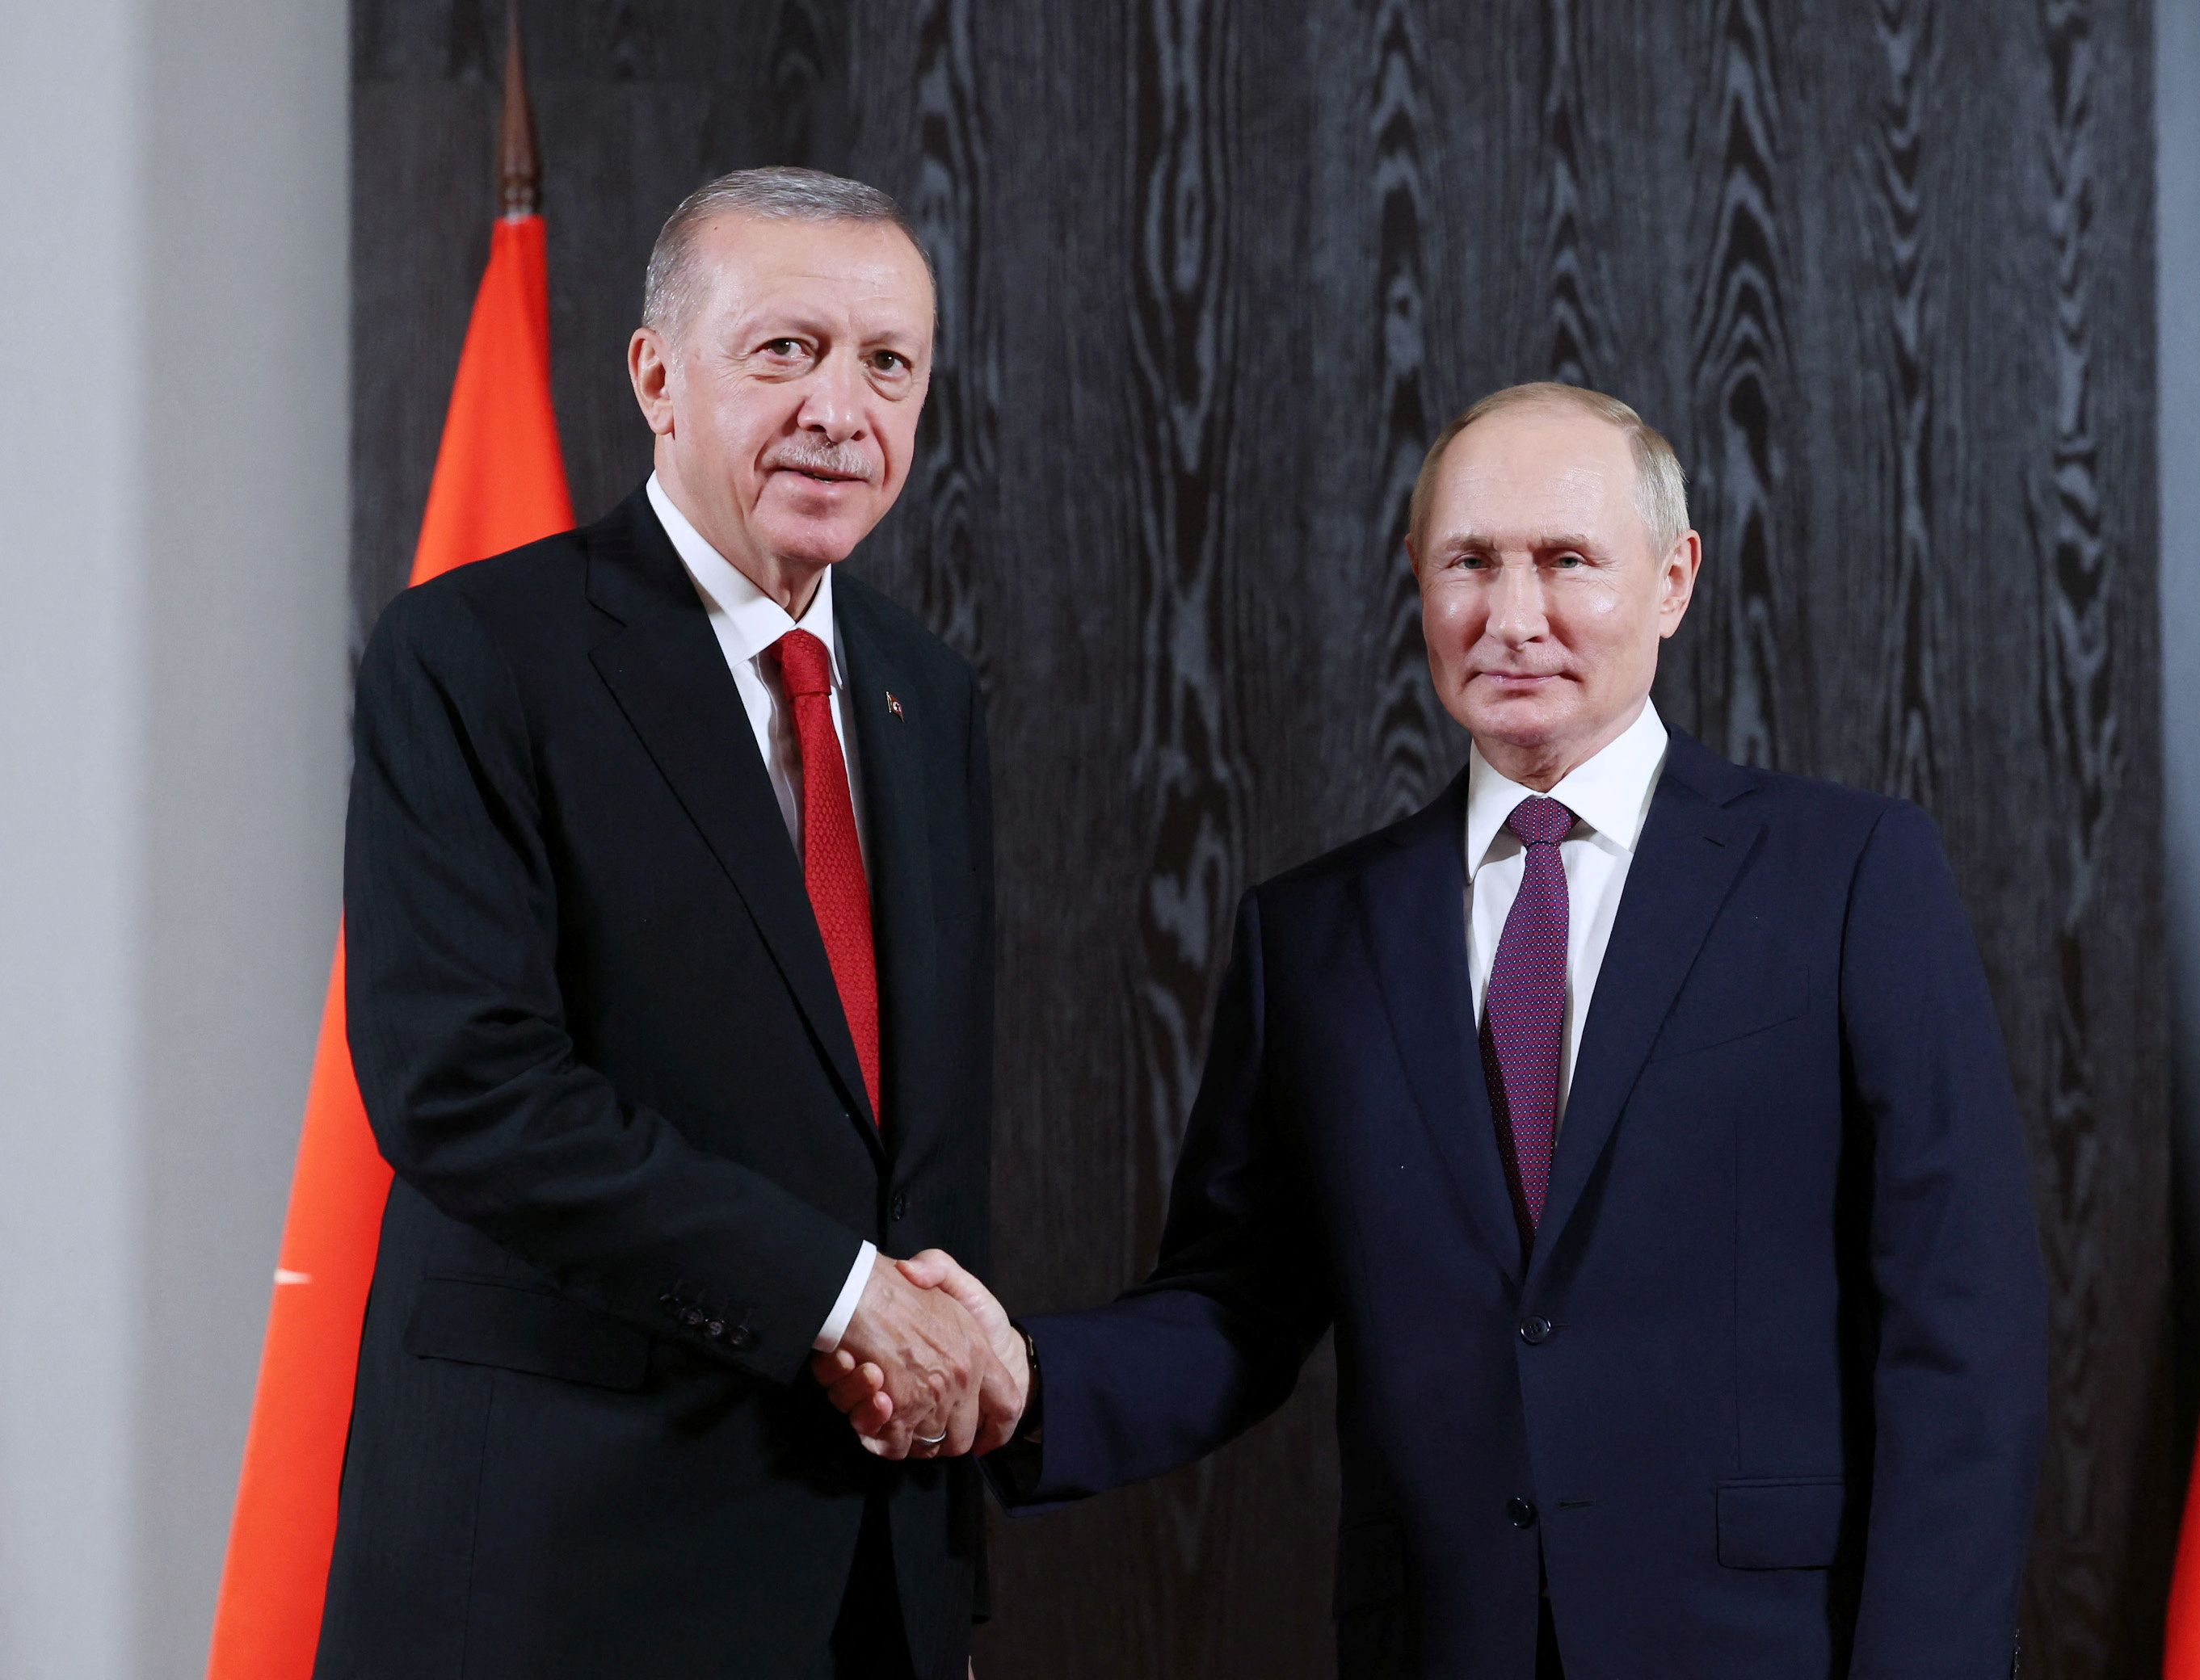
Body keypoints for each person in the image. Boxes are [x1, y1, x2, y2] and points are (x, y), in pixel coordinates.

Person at [828, 384, 2048, 1678]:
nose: (1511, 618)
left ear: (1675, 578)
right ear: (1419, 578)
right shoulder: (1310, 935)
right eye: (1469, 562)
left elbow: (1961, 1331)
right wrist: (1020, 1377)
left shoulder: (1849, 874)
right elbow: (1238, 1308)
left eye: (1566, 561)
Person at [322, 167, 1014, 1680]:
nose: (843, 407)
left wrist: (948, 1458)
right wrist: (845, 1301)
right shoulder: (478, 654)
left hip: (862, 1565)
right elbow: (468, 1088)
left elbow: (919, 1137)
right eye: (786, 350)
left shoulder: (923, 692)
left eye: (889, 364)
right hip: (561, 1573)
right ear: (657, 376)